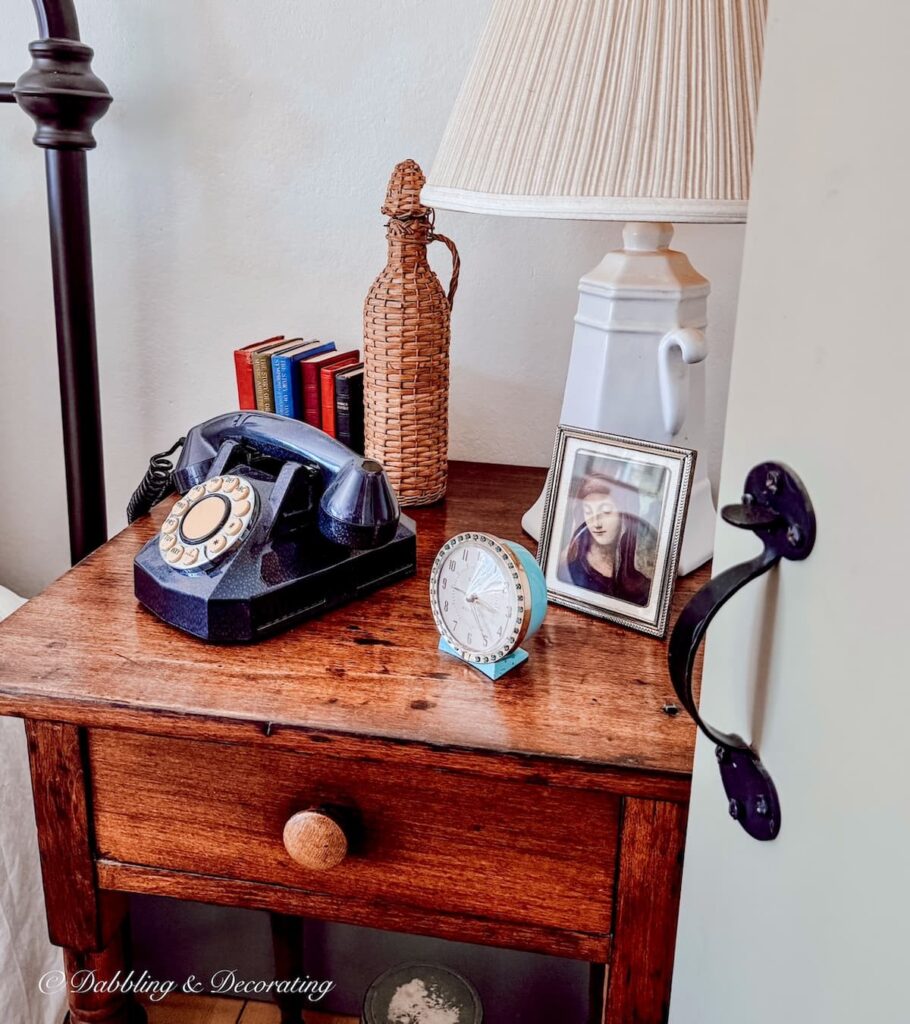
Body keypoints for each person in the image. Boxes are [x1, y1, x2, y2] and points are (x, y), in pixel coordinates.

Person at [559, 471, 652, 606]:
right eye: (588, 512)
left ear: (624, 517)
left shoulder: (641, 586)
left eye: (606, 512)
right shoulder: (567, 569)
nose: (596, 523)